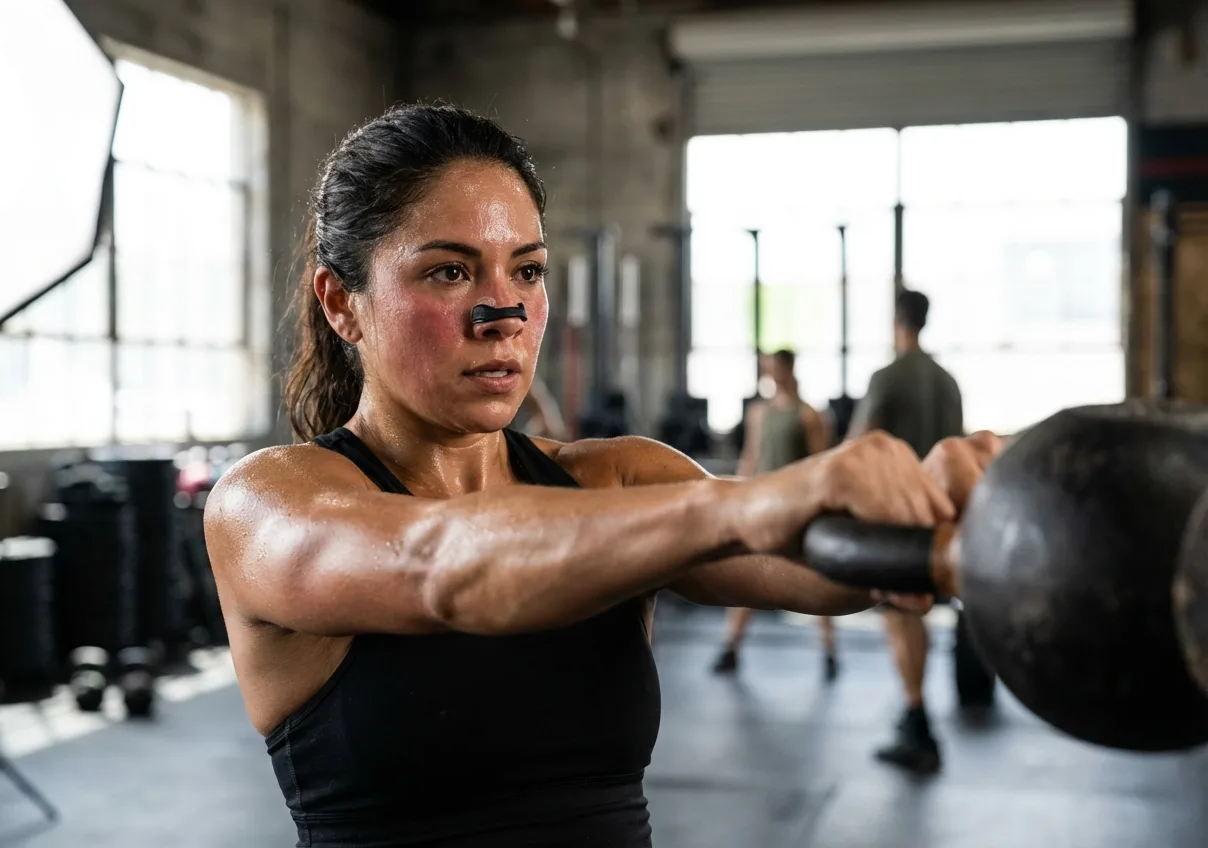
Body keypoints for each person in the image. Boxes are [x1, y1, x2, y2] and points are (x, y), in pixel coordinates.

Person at [204, 103, 996, 848]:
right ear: (342, 304)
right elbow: (440, 566)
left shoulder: (616, 480)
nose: (503, 313)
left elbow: (824, 568)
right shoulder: (268, 505)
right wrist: (755, 502)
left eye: (528, 271)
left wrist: (950, 513)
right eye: (449, 272)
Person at [847, 288, 965, 776]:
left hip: (896, 520)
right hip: (938, 517)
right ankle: (915, 714)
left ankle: (917, 718)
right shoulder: (948, 381)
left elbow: (859, 446)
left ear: (897, 321)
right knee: (915, 612)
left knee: (900, 616)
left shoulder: (887, 376)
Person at [712, 349, 838, 679]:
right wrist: (737, 495)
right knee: (749, 576)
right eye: (767, 368)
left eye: (775, 367)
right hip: (760, 506)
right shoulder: (759, 413)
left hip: (796, 507)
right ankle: (730, 647)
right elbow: (750, 458)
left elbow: (820, 464)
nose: (770, 373)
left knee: (817, 576)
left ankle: (829, 651)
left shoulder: (809, 415)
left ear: (788, 368)